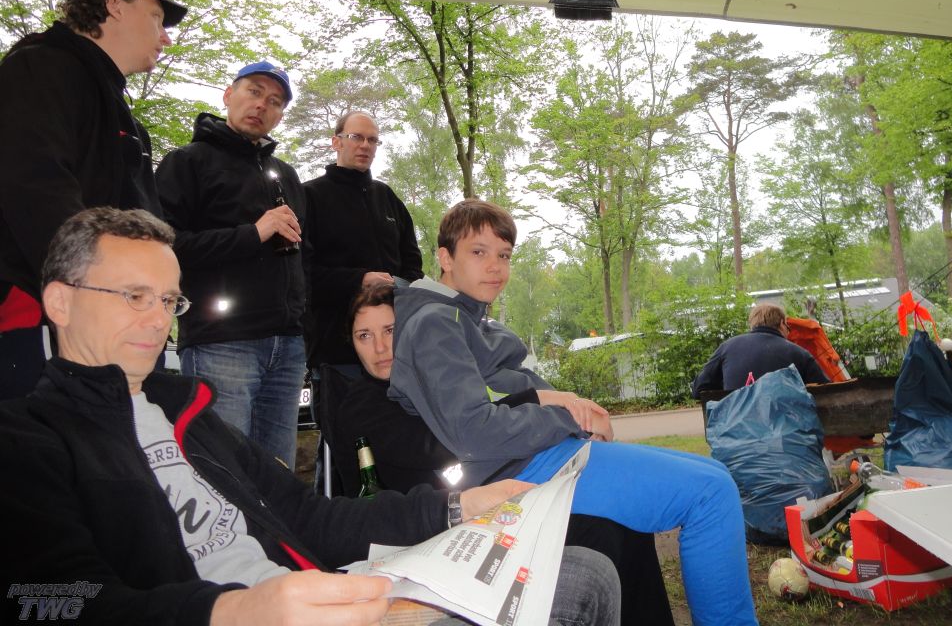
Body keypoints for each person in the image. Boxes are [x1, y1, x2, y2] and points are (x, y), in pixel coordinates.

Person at [0, 207, 620, 626]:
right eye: (134, 296)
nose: (159, 318)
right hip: (249, 614)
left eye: (168, 299)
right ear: (60, 302)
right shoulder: (29, 439)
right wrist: (231, 612)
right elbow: (40, 599)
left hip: (328, 593)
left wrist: (457, 508)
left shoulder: (188, 414)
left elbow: (310, 516)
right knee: (576, 587)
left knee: (588, 571)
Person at [388, 199, 758, 626]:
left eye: (504, 255)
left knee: (712, 475)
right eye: (478, 252)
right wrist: (571, 419)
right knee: (711, 493)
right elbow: (473, 430)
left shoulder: (468, 319)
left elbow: (509, 393)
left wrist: (570, 405)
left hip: (536, 454)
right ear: (445, 258)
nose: (495, 267)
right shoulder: (435, 323)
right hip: (514, 470)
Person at [322, 283, 674, 625]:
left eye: (389, 330)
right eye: (364, 336)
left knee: (622, 518)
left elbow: (485, 416)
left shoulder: (424, 383)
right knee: (602, 532)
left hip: (480, 511)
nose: (380, 347)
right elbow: (449, 443)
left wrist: (552, 407)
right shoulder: (362, 403)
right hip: (427, 535)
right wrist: (554, 411)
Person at [0, 0, 186, 399]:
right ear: (115, 4)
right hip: (49, 320)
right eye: (157, 18)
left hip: (119, 319)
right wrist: (93, 292)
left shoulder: (120, 112)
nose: (166, 38)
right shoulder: (39, 69)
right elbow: (35, 188)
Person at [155, 61, 307, 469]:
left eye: (275, 101)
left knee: (279, 475)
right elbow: (163, 248)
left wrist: (301, 321)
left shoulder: (285, 175)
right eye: (254, 92)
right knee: (223, 473)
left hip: (288, 345)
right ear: (228, 94)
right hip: (222, 341)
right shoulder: (187, 162)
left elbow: (303, 257)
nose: (262, 105)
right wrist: (253, 233)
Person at [303, 110, 424, 370]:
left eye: (373, 140)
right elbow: (302, 274)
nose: (365, 145)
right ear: (336, 142)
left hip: (397, 350)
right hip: (335, 351)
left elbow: (413, 264)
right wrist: (359, 280)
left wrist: (403, 290)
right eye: (357, 137)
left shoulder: (387, 197)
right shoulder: (309, 196)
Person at [691, 303, 830, 395]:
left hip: (737, 429)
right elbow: (827, 393)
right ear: (782, 324)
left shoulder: (727, 347)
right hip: (786, 430)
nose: (788, 333)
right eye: (788, 328)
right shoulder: (798, 353)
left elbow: (699, 389)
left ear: (753, 324)